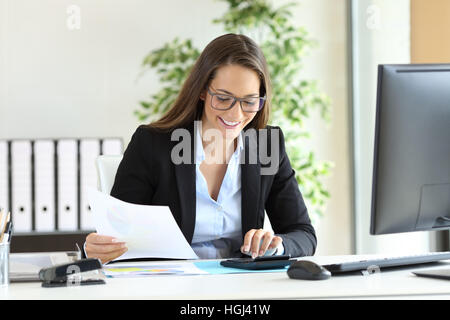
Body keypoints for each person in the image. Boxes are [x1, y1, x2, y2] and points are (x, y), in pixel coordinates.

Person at [85, 33, 317, 264]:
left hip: (241, 287)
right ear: (203, 91)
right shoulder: (151, 144)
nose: (235, 114)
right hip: (171, 287)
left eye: (249, 101)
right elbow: (117, 234)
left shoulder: (267, 144)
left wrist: (276, 245)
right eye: (224, 98)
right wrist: (98, 249)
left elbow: (303, 234)